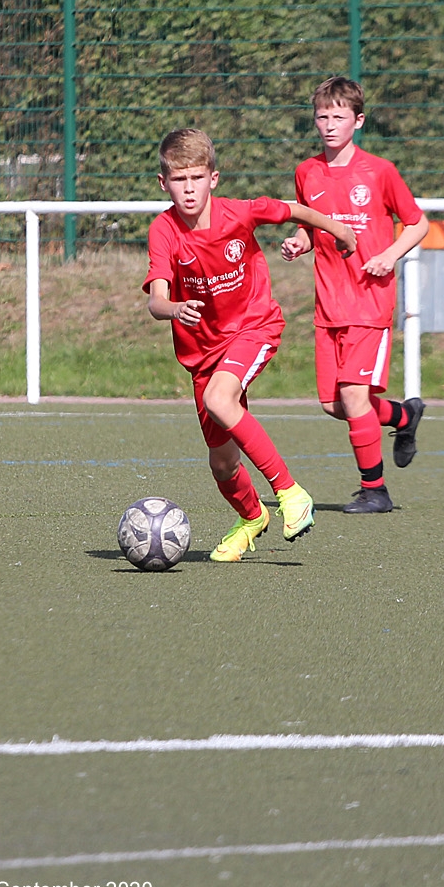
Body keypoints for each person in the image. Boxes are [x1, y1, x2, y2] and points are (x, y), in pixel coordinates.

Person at [145, 128, 357, 563]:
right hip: (202, 354)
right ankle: (251, 517)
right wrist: (174, 308)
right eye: (179, 180)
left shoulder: (239, 213)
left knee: (219, 398)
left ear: (214, 178)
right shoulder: (163, 230)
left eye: (197, 178)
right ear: (164, 183)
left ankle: (290, 492)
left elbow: (293, 209)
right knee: (222, 464)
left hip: (253, 327)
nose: (189, 188)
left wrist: (339, 230)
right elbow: (156, 300)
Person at [283, 77, 428, 513]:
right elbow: (310, 228)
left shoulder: (379, 171)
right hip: (328, 303)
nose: (329, 125)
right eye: (322, 116)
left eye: (339, 116)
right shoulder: (307, 172)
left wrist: (389, 255)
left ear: (358, 121)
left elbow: (417, 223)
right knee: (334, 404)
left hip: (369, 301)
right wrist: (298, 243)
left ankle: (375, 491)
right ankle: (404, 416)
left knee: (352, 395)